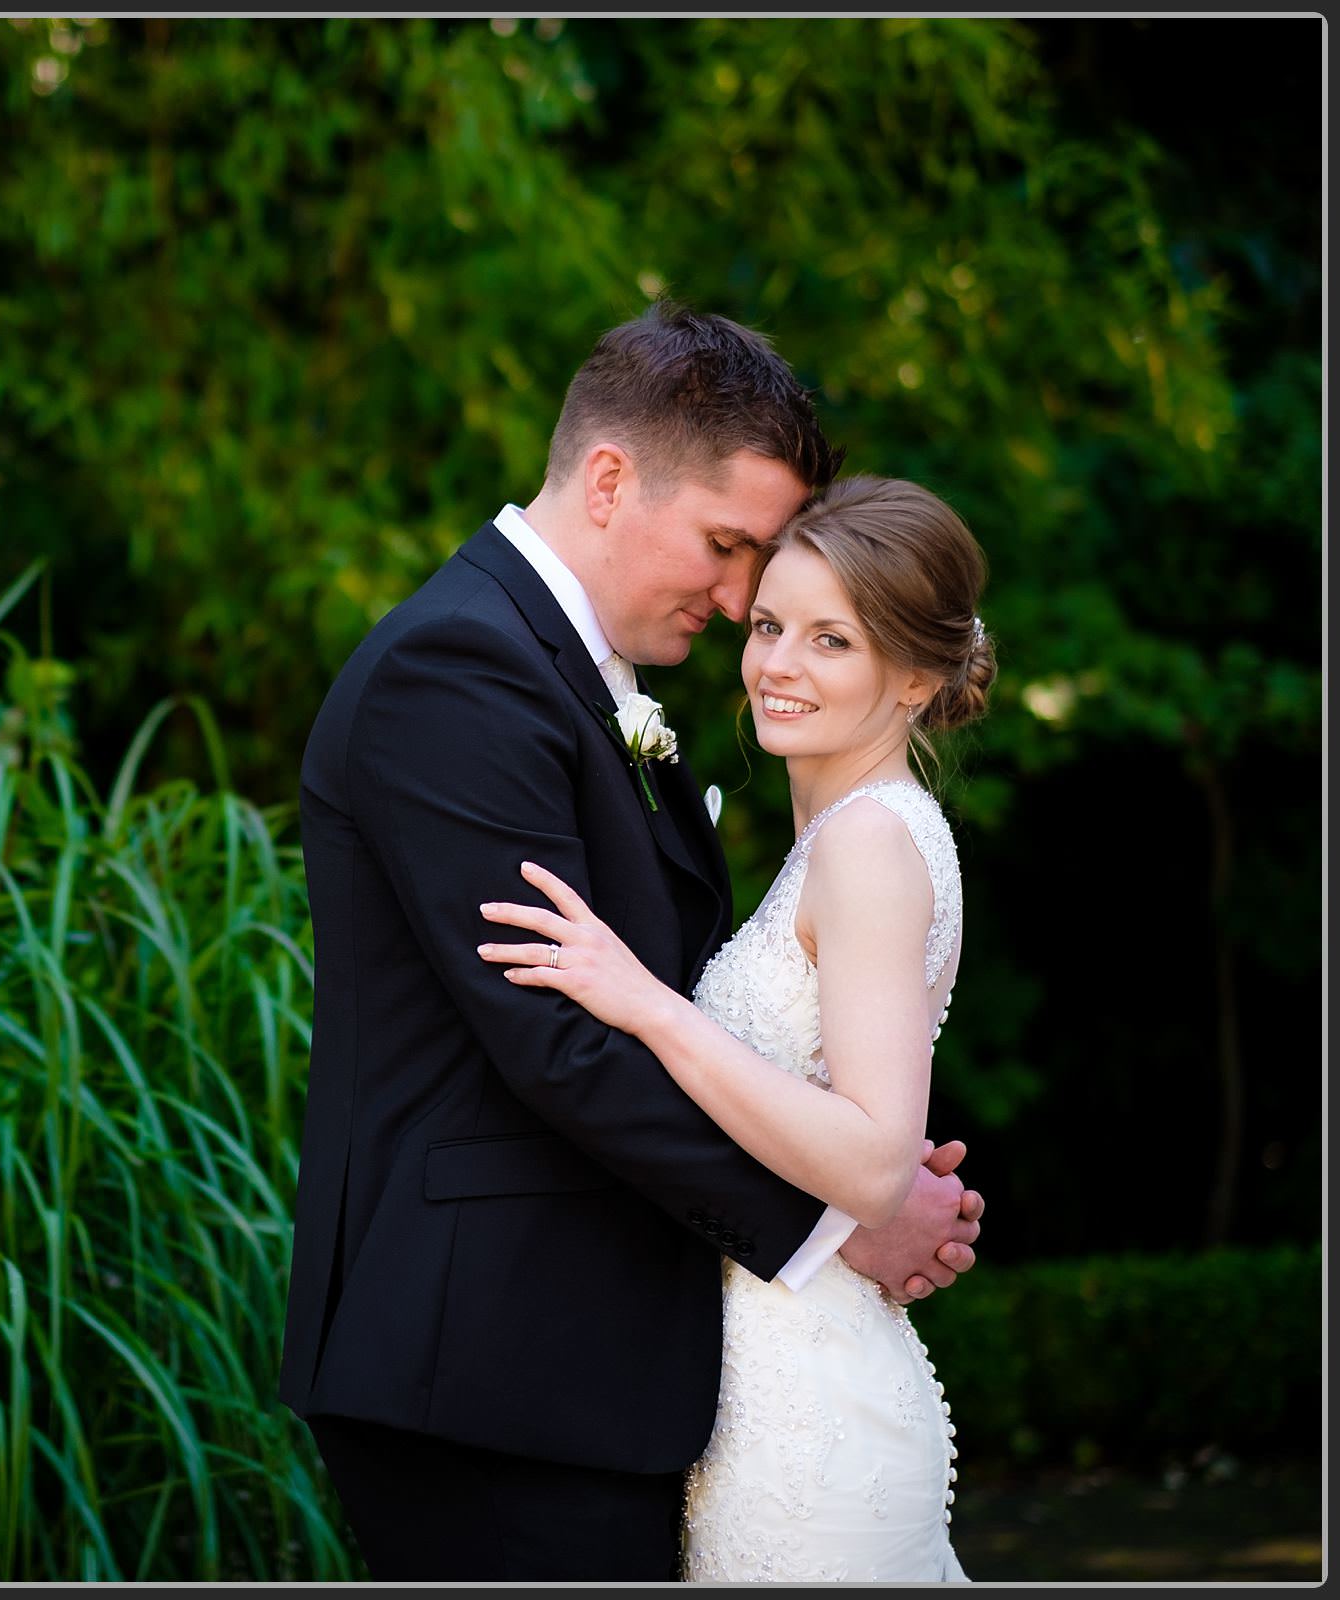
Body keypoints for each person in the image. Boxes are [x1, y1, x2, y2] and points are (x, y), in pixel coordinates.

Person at [276, 302, 985, 1582]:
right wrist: (835, 1221)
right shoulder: (457, 670)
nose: (739, 598)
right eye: (727, 549)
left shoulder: (571, 675)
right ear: (609, 478)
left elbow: (661, 1007)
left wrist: (842, 1152)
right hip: (487, 1364)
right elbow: (557, 1044)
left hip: (582, 1368)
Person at [474, 473, 995, 1580]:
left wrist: (646, 1003)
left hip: (810, 1419)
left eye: (830, 641)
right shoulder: (852, 838)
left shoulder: (866, 846)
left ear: (915, 675)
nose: (777, 665)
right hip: (762, 1382)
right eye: (767, 625)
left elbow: (871, 1157)